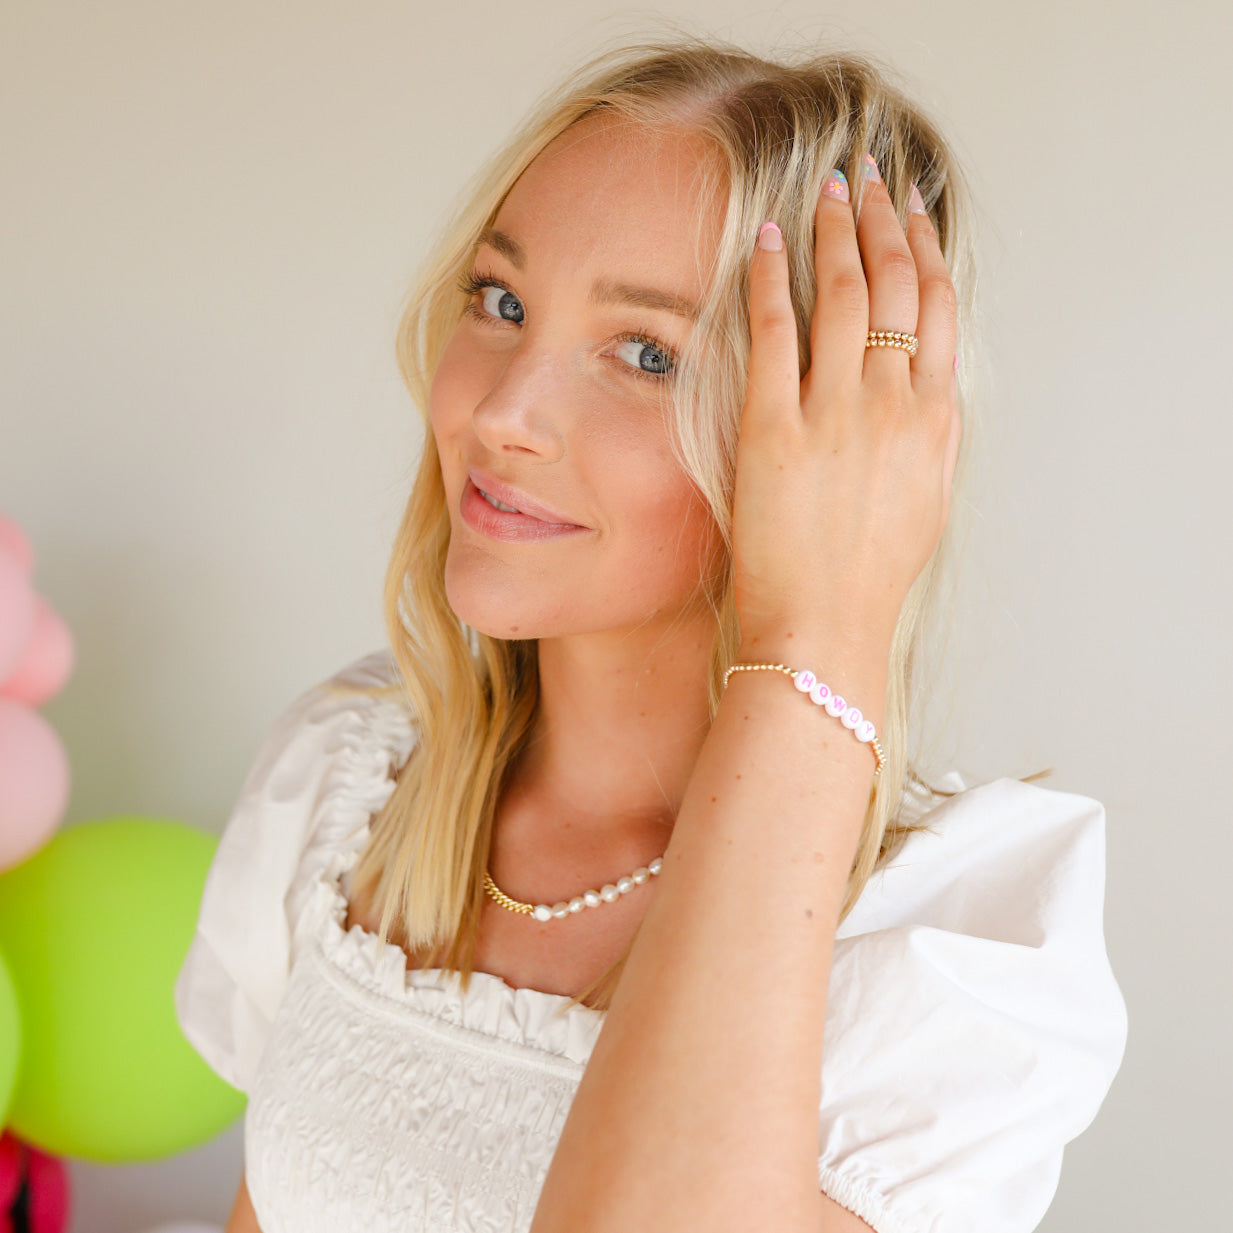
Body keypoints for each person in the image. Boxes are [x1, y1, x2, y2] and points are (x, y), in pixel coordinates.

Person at [174, 32, 1128, 1233]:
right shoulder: (350, 787)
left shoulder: (937, 953)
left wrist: (826, 627)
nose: (504, 413)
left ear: (836, 436)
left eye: (644, 354)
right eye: (501, 299)